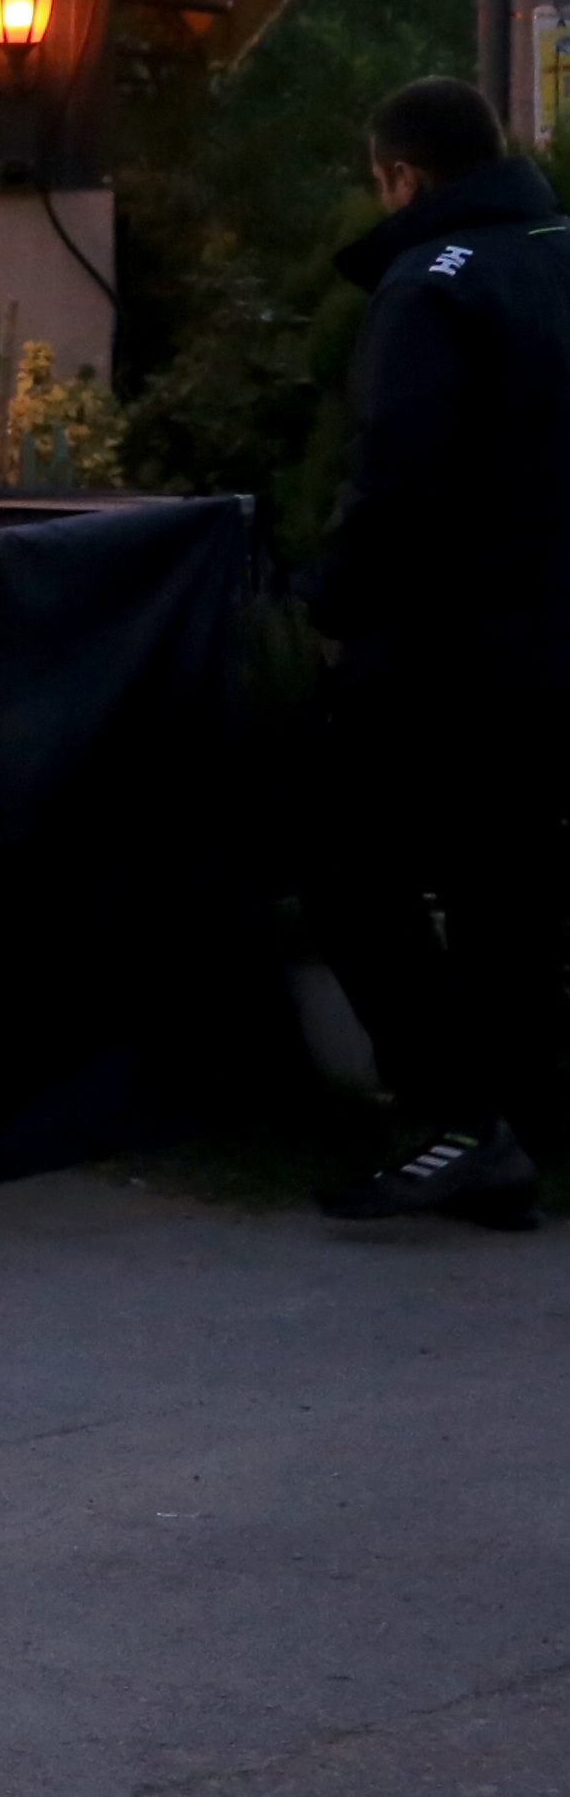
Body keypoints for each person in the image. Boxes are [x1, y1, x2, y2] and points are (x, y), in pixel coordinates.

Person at [304, 78, 570, 1229]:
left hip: (445, 642)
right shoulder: (555, 257)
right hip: (549, 634)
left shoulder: (431, 285)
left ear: (398, 176)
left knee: (348, 864)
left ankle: (457, 1113)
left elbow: (396, 471)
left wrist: (332, 603)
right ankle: (516, 1121)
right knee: (502, 882)